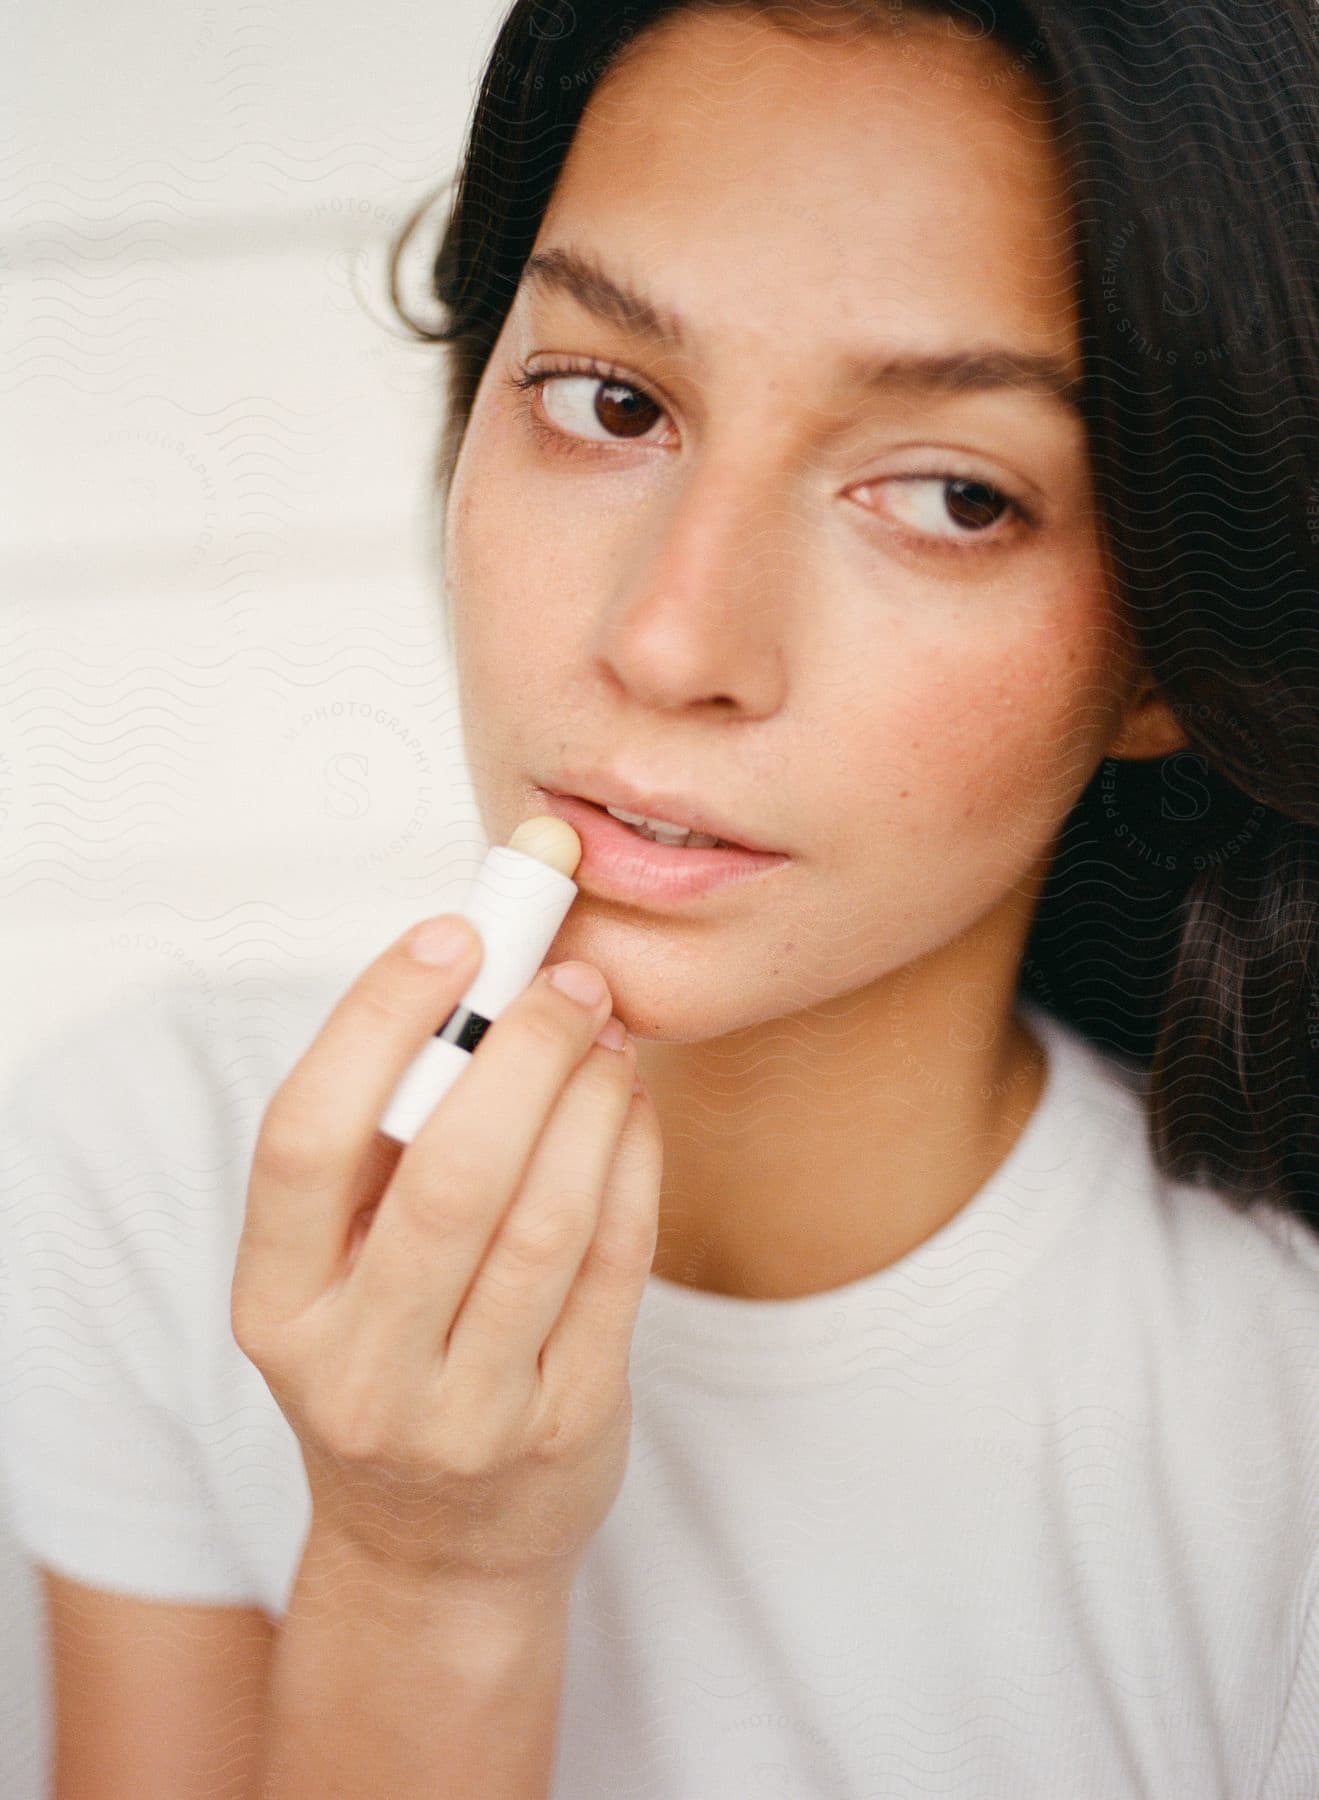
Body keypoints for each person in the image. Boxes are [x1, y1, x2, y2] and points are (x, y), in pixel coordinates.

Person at [4, 2, 1317, 1795]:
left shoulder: (1274, 1440)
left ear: (1174, 645)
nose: (669, 637)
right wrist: (420, 1577)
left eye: (947, 495)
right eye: (612, 402)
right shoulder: (146, 1174)